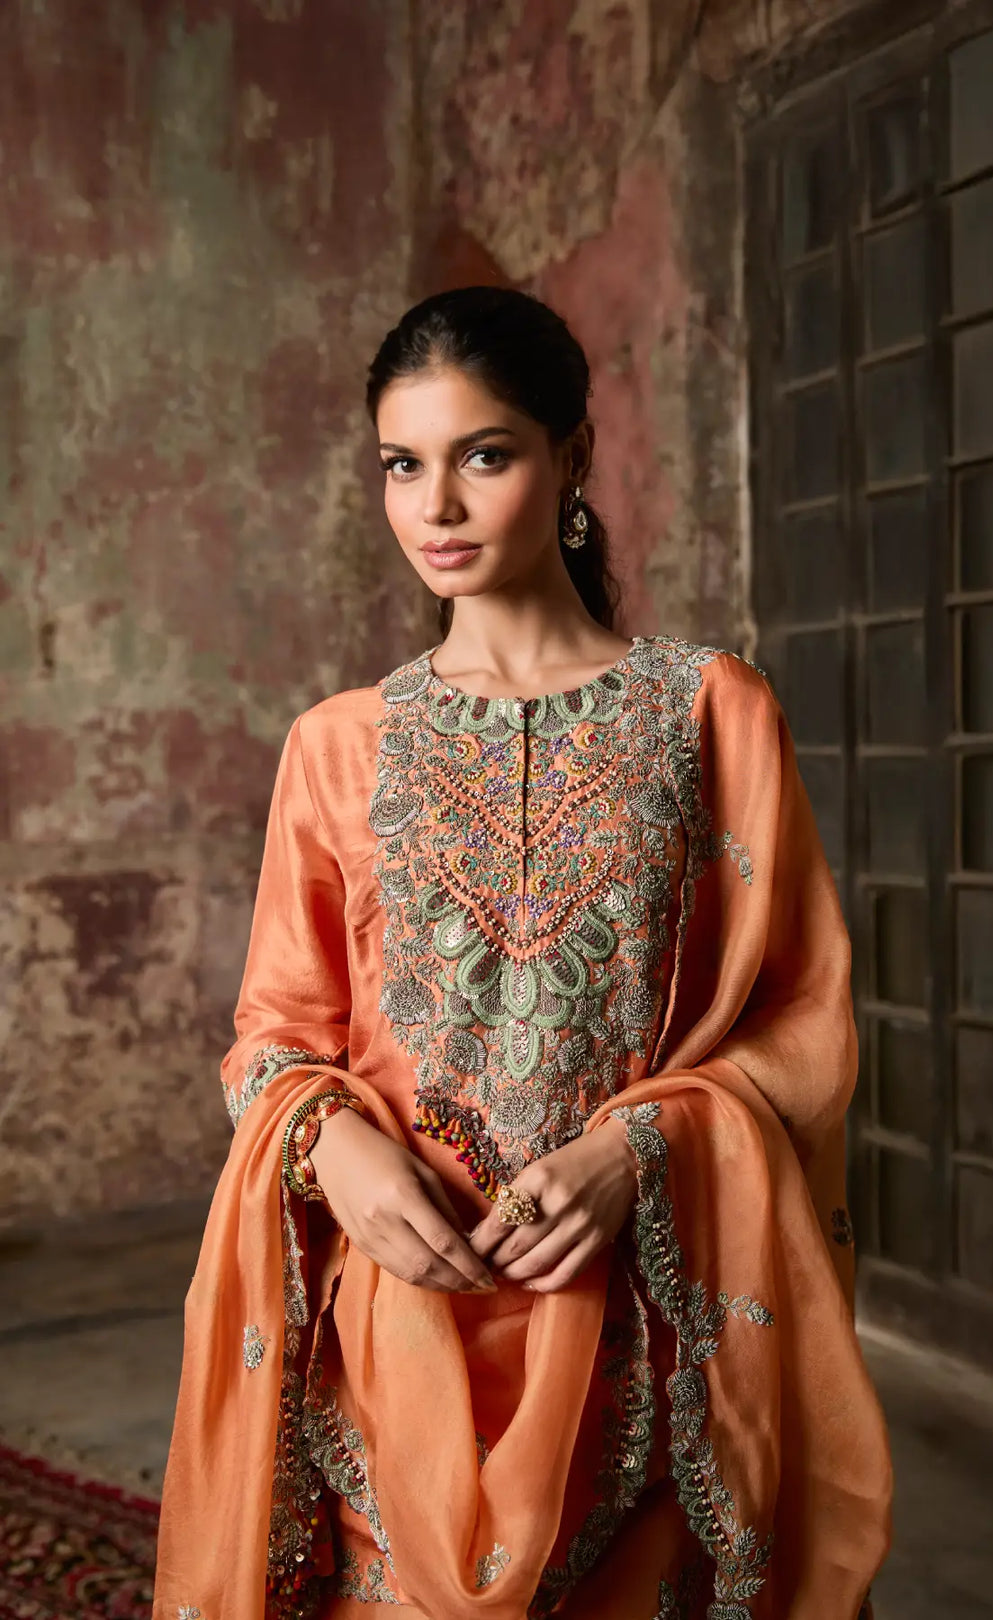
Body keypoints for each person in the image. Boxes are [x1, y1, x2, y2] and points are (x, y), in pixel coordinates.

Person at [154, 286, 892, 1620]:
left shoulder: (714, 712)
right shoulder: (338, 747)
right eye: (402, 465)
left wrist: (639, 1148)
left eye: (482, 455)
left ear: (572, 457)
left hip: (642, 1325)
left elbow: (800, 1023)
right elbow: (275, 1034)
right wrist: (333, 1144)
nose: (435, 507)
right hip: (401, 1318)